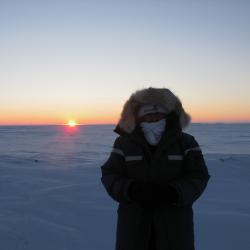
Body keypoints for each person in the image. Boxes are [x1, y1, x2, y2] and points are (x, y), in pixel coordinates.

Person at [100, 87, 210, 250]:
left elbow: (198, 176)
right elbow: (110, 174)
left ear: (169, 115)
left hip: (175, 226)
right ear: (138, 117)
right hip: (133, 225)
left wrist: (175, 192)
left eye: (158, 114)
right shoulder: (124, 143)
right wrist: (131, 189)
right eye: (147, 114)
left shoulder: (186, 143)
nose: (153, 118)